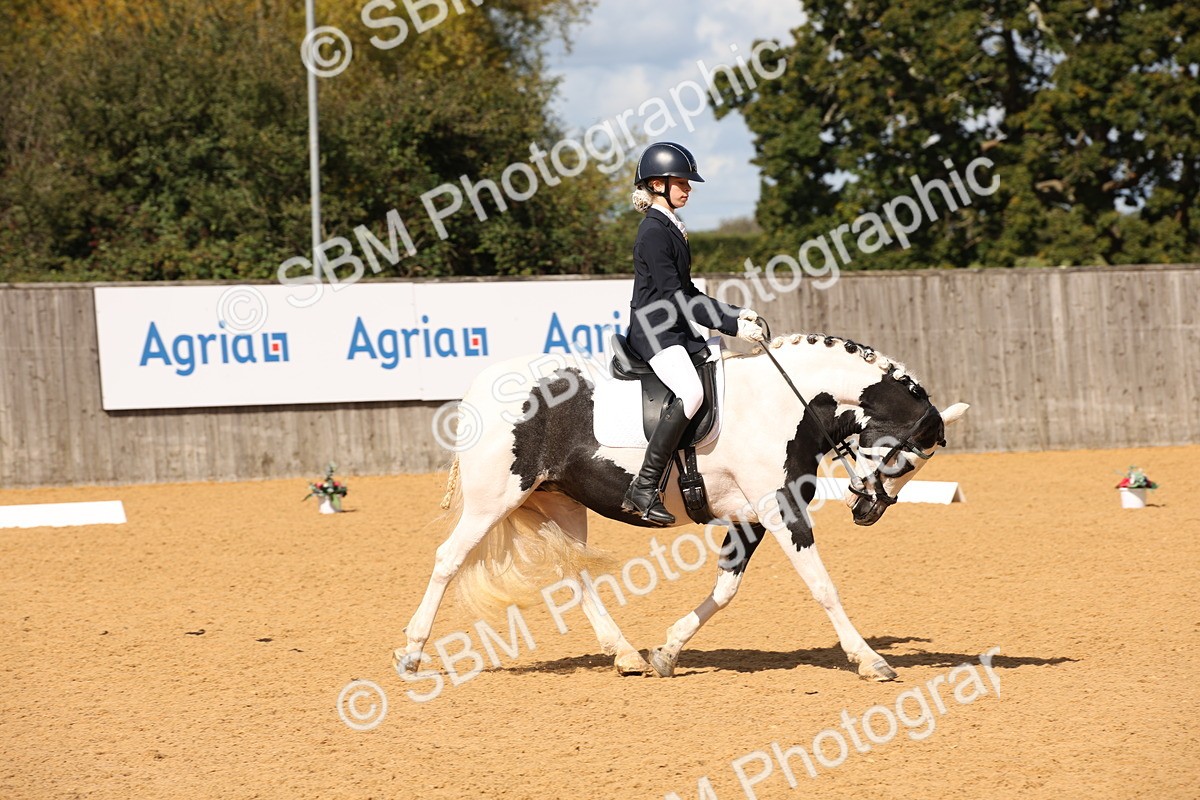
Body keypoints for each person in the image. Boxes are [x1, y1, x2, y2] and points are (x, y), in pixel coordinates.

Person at [622, 142, 765, 526]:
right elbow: (676, 296)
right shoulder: (654, 232)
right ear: (656, 184)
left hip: (675, 327)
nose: (688, 188)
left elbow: (687, 292)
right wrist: (731, 325)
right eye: (681, 182)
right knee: (692, 392)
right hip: (655, 331)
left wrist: (736, 313)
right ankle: (644, 485)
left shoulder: (670, 227)